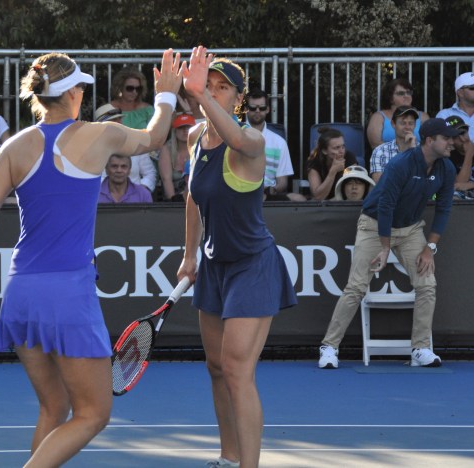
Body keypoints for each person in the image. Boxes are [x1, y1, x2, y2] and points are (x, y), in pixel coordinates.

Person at [0, 49, 184, 467]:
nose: (83, 91)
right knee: (94, 414)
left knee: (54, 408)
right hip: (67, 295)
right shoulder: (101, 135)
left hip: (22, 295)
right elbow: (156, 137)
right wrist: (166, 95)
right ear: (72, 93)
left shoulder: (13, 147)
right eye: (81, 86)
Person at [176, 47, 296, 468]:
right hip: (214, 264)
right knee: (215, 367)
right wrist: (189, 255)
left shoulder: (252, 142)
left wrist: (198, 95)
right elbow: (193, 197)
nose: (211, 91)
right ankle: (228, 457)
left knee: (236, 371)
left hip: (252, 265)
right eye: (207, 85)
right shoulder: (194, 138)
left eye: (221, 87)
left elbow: (238, 138)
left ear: (238, 99)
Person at [318, 118, 459, 370]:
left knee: (427, 284)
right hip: (374, 225)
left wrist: (430, 247)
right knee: (356, 287)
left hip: (410, 229)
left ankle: (420, 348)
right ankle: (329, 347)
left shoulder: (447, 167)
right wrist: (385, 247)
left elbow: (444, 207)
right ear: (429, 141)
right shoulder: (400, 164)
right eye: (446, 138)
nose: (452, 142)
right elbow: (386, 206)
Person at [244, 88, 305, 201]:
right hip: (241, 192)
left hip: (268, 193)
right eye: (253, 108)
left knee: (299, 199)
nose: (257, 111)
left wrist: (271, 190)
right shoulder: (236, 136)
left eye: (262, 108)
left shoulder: (279, 142)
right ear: (246, 109)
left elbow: (282, 182)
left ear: (267, 109)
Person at [107, 67, 158, 192]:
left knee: (163, 152)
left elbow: (155, 134)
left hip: (145, 152)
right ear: (120, 88)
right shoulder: (109, 109)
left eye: (138, 88)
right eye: (130, 88)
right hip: (114, 152)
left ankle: (167, 195)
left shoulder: (147, 110)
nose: (134, 92)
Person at [366, 78, 429, 149]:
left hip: (416, 154)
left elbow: (430, 143)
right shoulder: (379, 117)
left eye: (409, 93)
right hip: (387, 155)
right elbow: (375, 144)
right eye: (401, 93)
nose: (406, 96)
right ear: (390, 98)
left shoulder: (423, 117)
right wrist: (401, 152)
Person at [369, 106, 419, 183]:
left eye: (411, 123)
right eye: (403, 123)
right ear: (393, 124)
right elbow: (379, 183)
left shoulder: (422, 151)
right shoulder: (380, 151)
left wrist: (412, 150)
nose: (407, 127)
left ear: (415, 125)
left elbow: (423, 181)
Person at [306, 127, 358, 200]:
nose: (341, 151)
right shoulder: (314, 161)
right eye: (336, 148)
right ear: (324, 151)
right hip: (320, 204)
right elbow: (318, 197)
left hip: (342, 200)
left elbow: (355, 188)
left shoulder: (349, 157)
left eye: (343, 146)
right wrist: (333, 171)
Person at [158, 113, 194, 201]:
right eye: (181, 127)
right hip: (174, 197)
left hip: (197, 197)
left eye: (189, 127)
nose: (185, 130)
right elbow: (166, 179)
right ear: (175, 131)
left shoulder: (201, 146)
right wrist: (173, 202)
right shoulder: (166, 149)